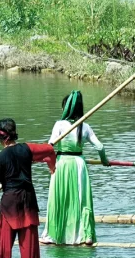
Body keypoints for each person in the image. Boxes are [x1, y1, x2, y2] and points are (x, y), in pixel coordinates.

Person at [0, 119, 52, 258]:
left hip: (11, 200)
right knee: (28, 240)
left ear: (0, 136)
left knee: (5, 238)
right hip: (28, 198)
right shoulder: (26, 149)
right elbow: (48, 149)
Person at [42, 90, 108, 247]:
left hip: (62, 164)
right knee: (82, 199)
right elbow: (100, 146)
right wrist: (104, 160)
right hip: (79, 164)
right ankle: (86, 236)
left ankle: (54, 235)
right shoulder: (85, 126)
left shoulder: (59, 124)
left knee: (58, 199)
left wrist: (49, 164)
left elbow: (49, 147)